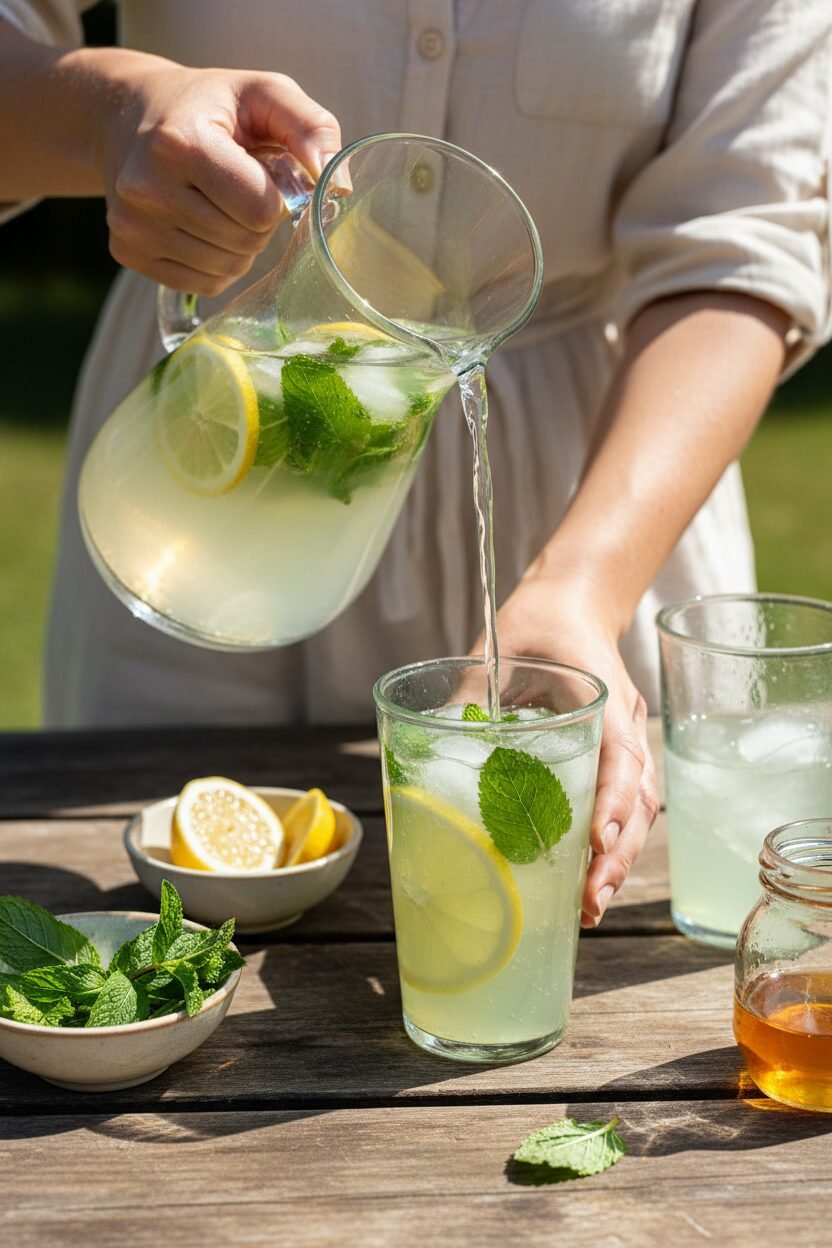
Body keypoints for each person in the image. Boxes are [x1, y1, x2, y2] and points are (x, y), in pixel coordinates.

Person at [2, 1, 830, 929]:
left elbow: (747, 236)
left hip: (607, 492)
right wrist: (116, 113)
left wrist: (584, 589)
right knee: (158, 924)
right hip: (208, 474)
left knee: (536, 904)